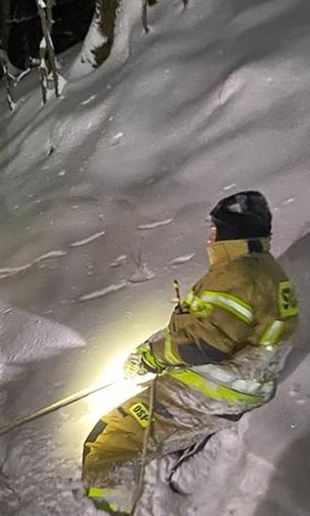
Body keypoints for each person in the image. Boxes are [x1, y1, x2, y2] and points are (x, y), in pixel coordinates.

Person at [82, 191, 300, 515]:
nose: (210, 237)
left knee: (111, 441)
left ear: (232, 233)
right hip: (233, 387)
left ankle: (108, 507)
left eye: (216, 229)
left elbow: (205, 345)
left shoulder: (239, 276)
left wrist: (150, 358)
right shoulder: (264, 272)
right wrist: (153, 346)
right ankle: (184, 444)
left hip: (209, 391)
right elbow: (208, 326)